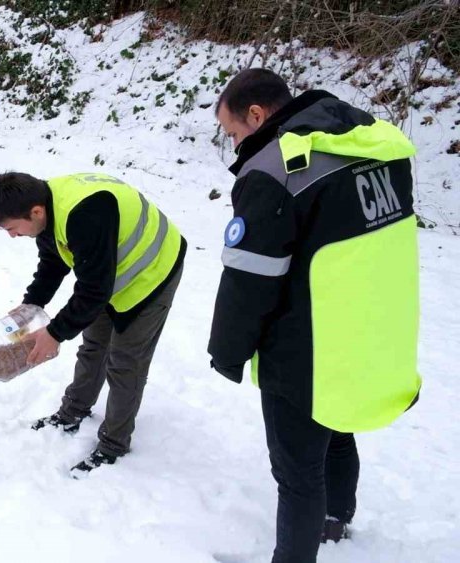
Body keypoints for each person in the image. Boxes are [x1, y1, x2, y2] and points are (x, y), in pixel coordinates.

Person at [208, 68, 422, 562]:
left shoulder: (273, 170)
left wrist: (228, 352)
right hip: (365, 327)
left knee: (298, 475)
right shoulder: (371, 141)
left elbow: (250, 279)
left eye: (234, 132)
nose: (235, 143)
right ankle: (336, 520)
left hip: (303, 347)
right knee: (339, 428)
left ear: (257, 115)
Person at [0, 172, 186, 476]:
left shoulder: (84, 214)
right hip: (107, 269)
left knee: (125, 362)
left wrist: (54, 333)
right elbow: (53, 264)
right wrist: (31, 305)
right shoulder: (46, 211)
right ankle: (73, 411)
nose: (12, 236)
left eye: (12, 228)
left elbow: (94, 291)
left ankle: (113, 443)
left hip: (152, 270)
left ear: (35, 212)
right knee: (94, 345)